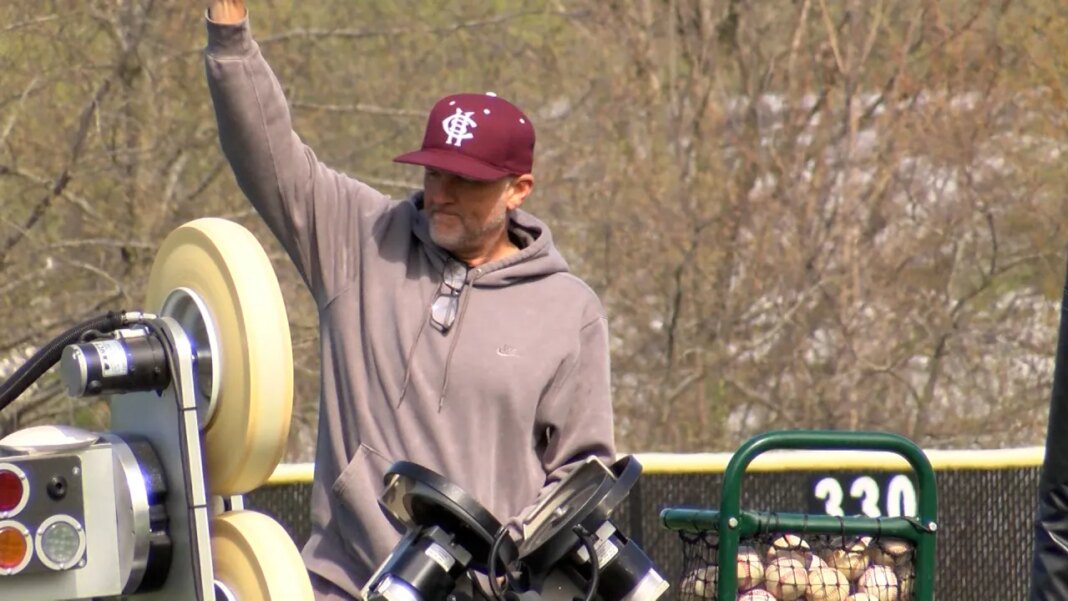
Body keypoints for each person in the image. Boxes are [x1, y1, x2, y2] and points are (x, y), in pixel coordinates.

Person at [202, 2, 615, 598]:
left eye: (466, 180)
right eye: (434, 173)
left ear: (518, 190)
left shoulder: (568, 309)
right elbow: (267, 156)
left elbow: (581, 474)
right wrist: (230, 37)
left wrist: (509, 555)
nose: (442, 193)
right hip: (346, 582)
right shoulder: (361, 240)